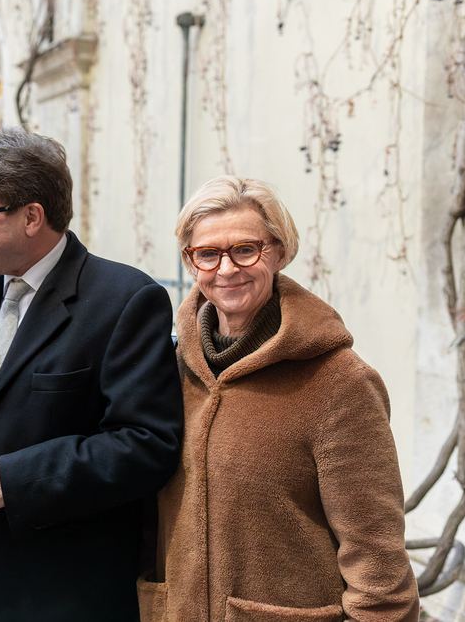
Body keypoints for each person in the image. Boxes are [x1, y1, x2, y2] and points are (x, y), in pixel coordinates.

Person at [0, 127, 184, 621]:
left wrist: (12, 481)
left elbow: (146, 442)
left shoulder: (126, 299)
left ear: (32, 216)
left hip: (65, 591)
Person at [137, 176, 419, 621]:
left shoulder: (339, 382)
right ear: (191, 262)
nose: (226, 269)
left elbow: (377, 561)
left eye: (245, 249)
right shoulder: (169, 368)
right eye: (207, 253)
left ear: (280, 252)